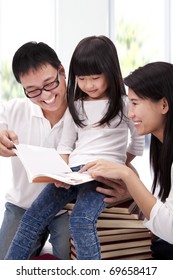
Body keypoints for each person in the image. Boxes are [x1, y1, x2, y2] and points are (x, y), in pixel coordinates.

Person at [4, 35, 144, 260]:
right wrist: (61, 172)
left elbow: (137, 142)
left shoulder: (125, 104)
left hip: (102, 174)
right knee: (32, 217)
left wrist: (120, 166)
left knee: (81, 220)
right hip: (72, 173)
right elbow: (66, 145)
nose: (88, 85)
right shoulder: (76, 105)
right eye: (82, 78)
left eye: (95, 78)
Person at [83, 61, 173, 260]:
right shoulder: (162, 145)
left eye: (135, 103)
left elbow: (170, 228)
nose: (130, 113)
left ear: (164, 105)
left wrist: (127, 174)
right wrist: (130, 192)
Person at [0, 41, 70, 259]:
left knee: (77, 263)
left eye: (49, 84)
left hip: (68, 208)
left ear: (62, 71)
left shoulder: (84, 113)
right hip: (23, 205)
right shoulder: (14, 110)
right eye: (33, 90)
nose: (45, 95)